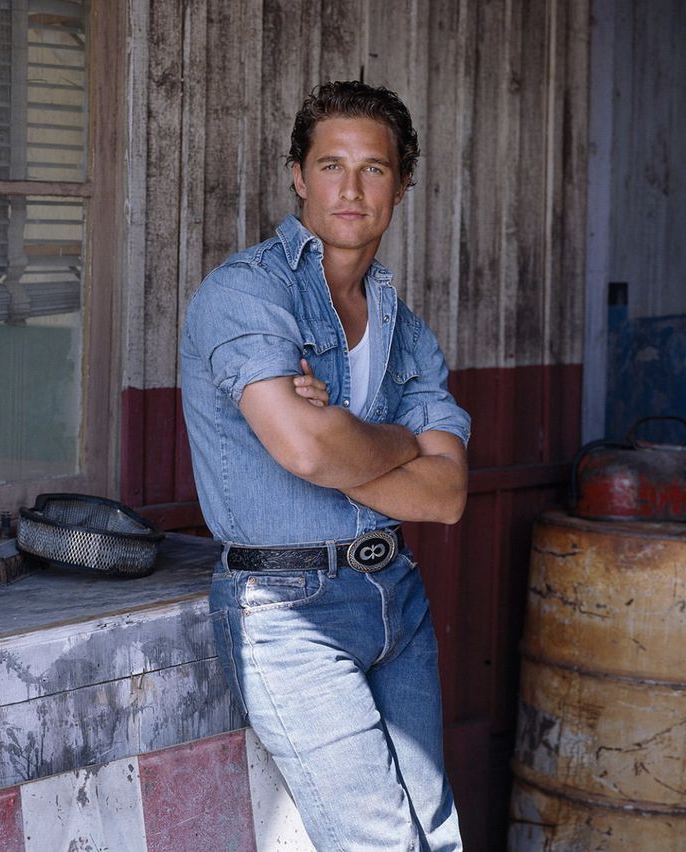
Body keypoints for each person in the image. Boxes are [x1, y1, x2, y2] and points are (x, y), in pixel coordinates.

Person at [181, 80, 470, 851]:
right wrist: (394, 440)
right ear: (298, 177)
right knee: (381, 843)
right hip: (287, 610)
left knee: (436, 836)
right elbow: (304, 449)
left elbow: (445, 497)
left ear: (402, 183)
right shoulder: (246, 295)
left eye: (373, 168)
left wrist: (349, 431)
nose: (351, 187)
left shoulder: (407, 332)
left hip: (395, 599)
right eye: (330, 164)